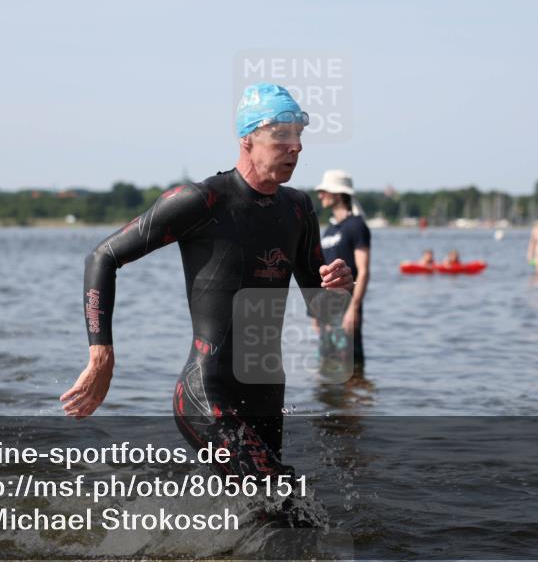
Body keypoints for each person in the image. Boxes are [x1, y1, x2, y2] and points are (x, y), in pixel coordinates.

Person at [60, 83, 354, 485]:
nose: (295, 148)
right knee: (282, 499)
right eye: (281, 135)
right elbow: (103, 257)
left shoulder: (298, 209)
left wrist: (338, 290)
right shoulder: (201, 201)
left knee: (264, 515)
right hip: (206, 393)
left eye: (299, 136)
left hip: (267, 392)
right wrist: (101, 359)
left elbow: (323, 308)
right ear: (248, 138)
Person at [315, 169, 371, 374]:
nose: (319, 195)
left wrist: (353, 309)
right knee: (327, 368)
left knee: (351, 369)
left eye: (324, 191)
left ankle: (354, 405)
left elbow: (363, 271)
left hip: (346, 308)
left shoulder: (356, 226)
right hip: (327, 311)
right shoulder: (329, 230)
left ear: (337, 194)